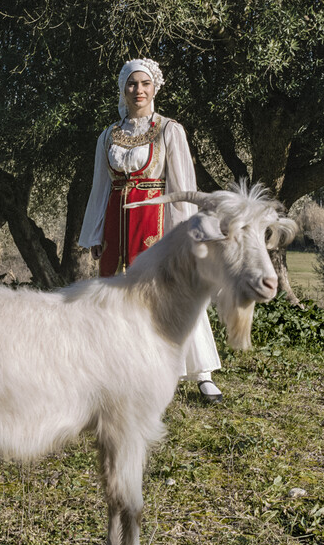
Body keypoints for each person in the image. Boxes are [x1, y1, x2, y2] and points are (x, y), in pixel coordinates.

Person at [78, 58, 222, 402]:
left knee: (172, 291)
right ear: (122, 89)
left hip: (154, 224)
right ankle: (120, 372)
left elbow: (182, 185)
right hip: (116, 224)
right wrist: (95, 233)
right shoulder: (108, 136)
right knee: (115, 297)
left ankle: (201, 373)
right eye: (131, 84)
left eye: (144, 84)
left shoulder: (169, 130)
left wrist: (189, 233)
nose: (138, 90)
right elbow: (100, 188)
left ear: (154, 88)